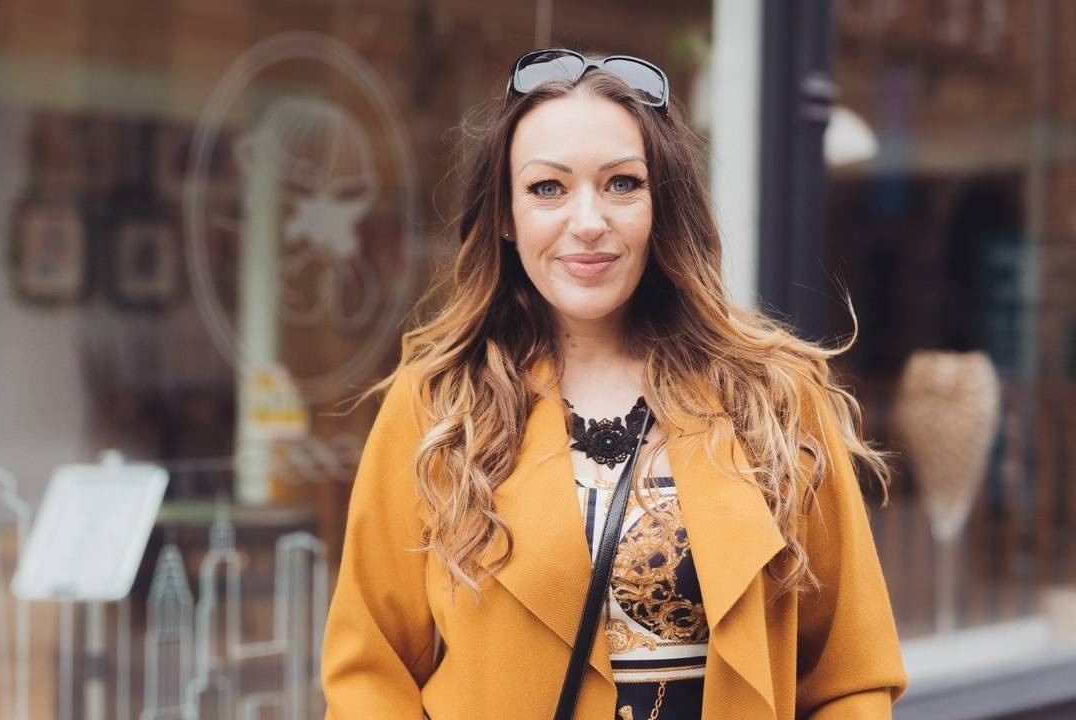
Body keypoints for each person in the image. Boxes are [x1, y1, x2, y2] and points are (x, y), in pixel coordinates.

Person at [321, 48, 908, 719]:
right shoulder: (437, 406)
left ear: (663, 204)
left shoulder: (772, 397)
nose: (588, 222)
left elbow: (849, 678)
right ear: (505, 215)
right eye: (548, 188)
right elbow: (370, 675)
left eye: (622, 183)